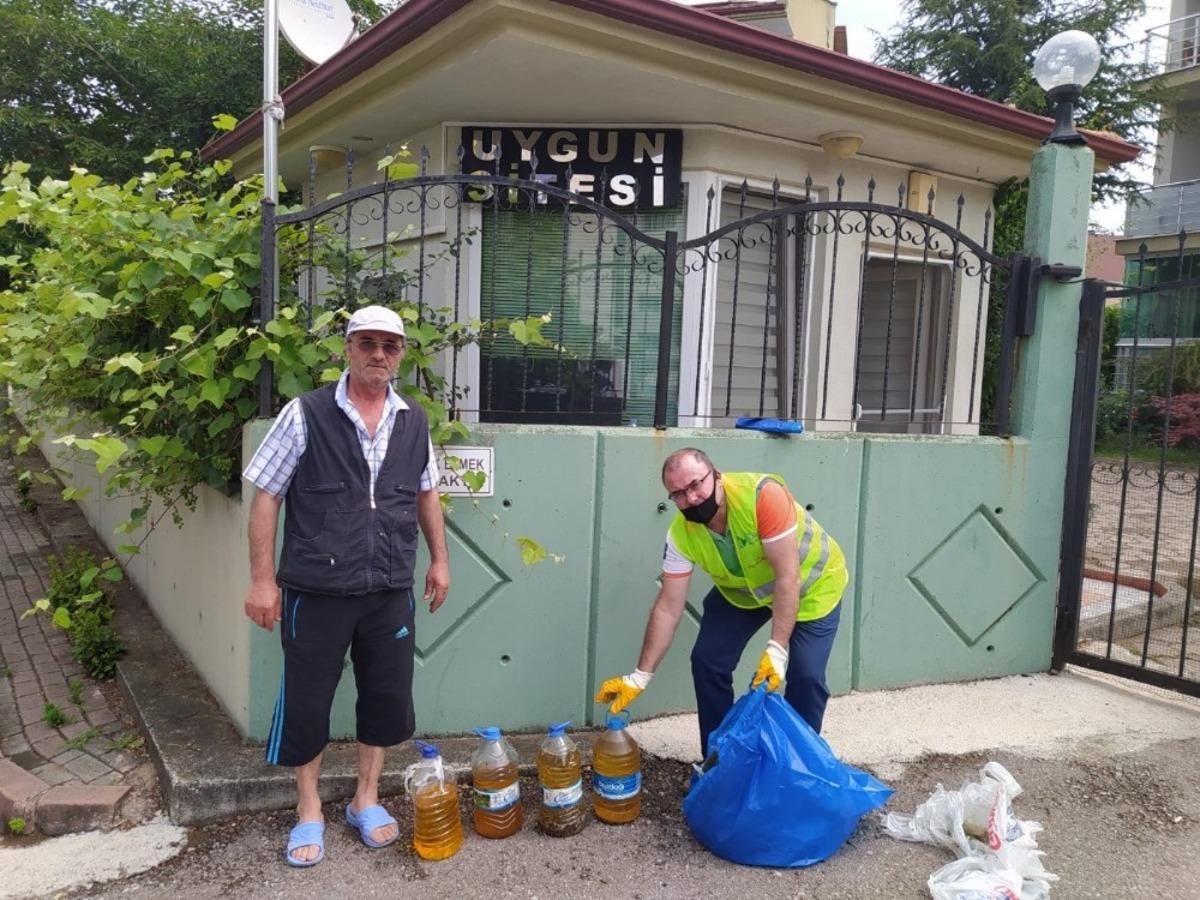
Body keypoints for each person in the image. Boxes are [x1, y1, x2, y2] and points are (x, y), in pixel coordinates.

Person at [242, 305, 450, 868]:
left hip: (389, 588)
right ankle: (308, 808)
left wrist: (440, 560)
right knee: (308, 701)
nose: (378, 354)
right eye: (367, 343)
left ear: (401, 354)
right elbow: (267, 496)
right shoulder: (305, 413)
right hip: (316, 589)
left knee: (384, 696)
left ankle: (366, 799)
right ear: (348, 348)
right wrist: (262, 580)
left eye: (389, 345)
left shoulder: (413, 420)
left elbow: (426, 492)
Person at [596, 447, 846, 758]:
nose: (691, 498)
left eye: (695, 485)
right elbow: (668, 607)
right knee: (707, 660)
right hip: (745, 594)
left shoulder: (762, 497)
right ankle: (717, 760)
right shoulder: (680, 535)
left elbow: (787, 577)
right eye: (678, 494)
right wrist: (640, 675)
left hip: (811, 586)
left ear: (716, 475)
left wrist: (777, 649)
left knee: (806, 676)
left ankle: (798, 765)